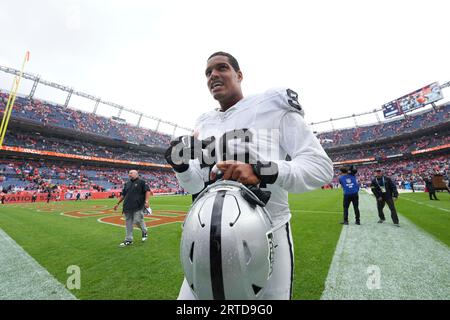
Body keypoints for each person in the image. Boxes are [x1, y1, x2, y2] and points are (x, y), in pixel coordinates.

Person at [165, 51, 333, 300]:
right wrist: (180, 166)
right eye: (208, 72)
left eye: (221, 68)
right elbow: (196, 186)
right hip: (205, 237)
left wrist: (261, 170)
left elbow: (320, 167)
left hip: (267, 234)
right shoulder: (204, 122)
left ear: (239, 75)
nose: (213, 75)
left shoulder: (270, 106)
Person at [114, 170, 151, 247]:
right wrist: (117, 203)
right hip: (127, 206)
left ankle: (144, 231)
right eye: (129, 173)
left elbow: (147, 191)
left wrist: (147, 201)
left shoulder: (142, 182)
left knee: (137, 221)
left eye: (131, 173)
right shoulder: (127, 183)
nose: (129, 174)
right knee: (128, 223)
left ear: (136, 174)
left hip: (138, 206)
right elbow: (123, 195)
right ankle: (129, 240)